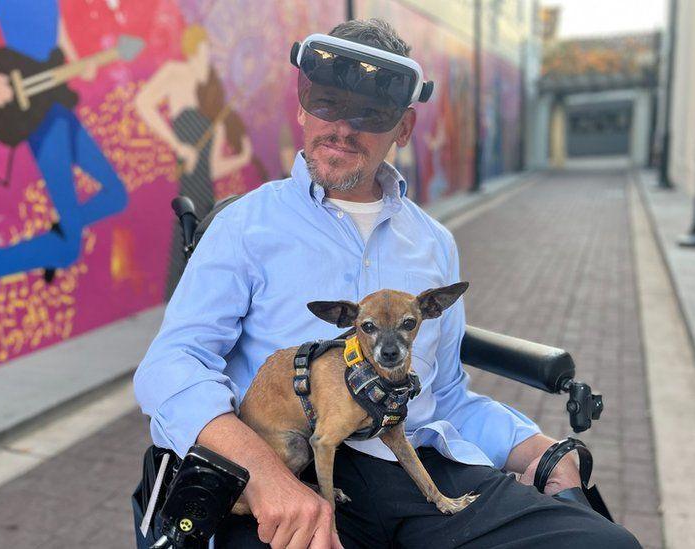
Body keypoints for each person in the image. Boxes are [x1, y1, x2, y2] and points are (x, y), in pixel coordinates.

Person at [134, 19, 640, 549]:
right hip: (295, 464)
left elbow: (446, 396)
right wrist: (264, 476)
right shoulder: (244, 227)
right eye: (327, 102)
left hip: (415, 461)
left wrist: (535, 449)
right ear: (304, 107)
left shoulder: (434, 242)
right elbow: (172, 365)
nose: (342, 128)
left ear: (402, 127)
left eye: (370, 114)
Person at [0, 0, 129, 333]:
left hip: (56, 101)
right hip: (36, 116)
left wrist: (80, 64)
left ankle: (62, 228)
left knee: (115, 194)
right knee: (68, 250)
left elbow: (59, 39)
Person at [135, 24, 255, 300]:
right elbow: (144, 102)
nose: (209, 55)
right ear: (197, 47)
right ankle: (178, 300)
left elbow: (212, 169)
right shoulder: (175, 73)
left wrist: (242, 158)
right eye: (207, 48)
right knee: (187, 231)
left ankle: (196, 300)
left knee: (203, 236)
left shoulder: (209, 103)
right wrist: (178, 146)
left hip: (205, 190)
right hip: (190, 184)